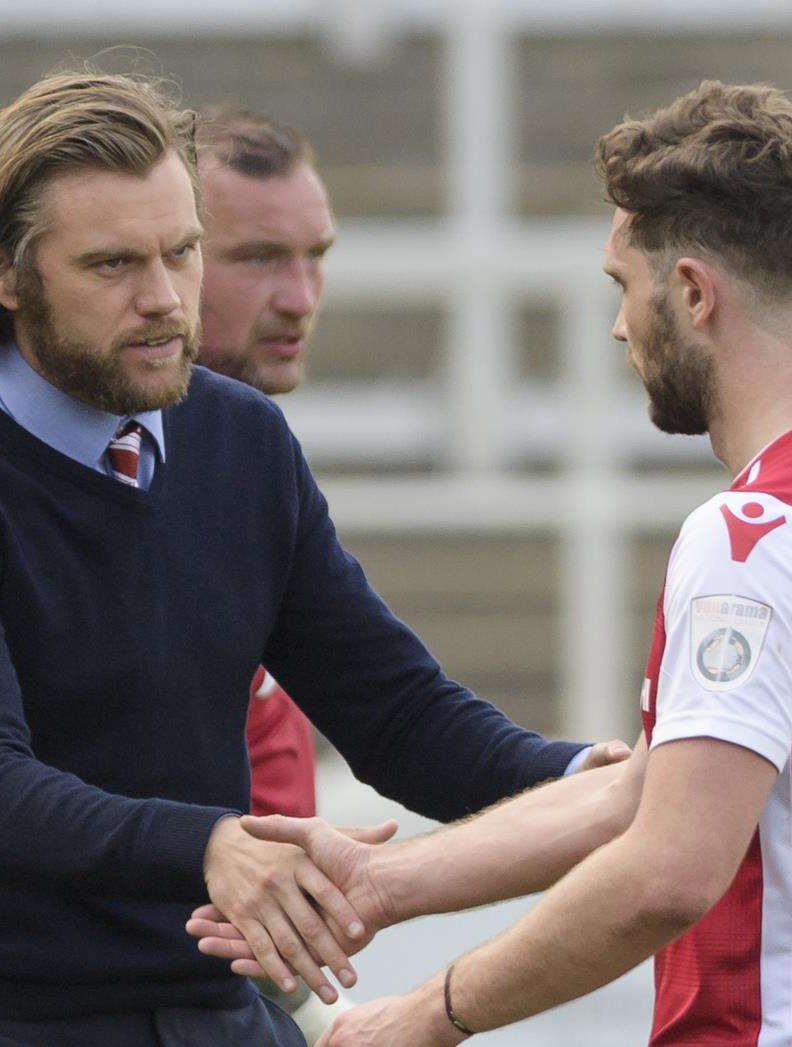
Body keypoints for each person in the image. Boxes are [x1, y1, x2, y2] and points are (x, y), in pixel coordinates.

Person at [0, 71, 619, 1047]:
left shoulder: (240, 440)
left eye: (183, 252)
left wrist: (594, 777)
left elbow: (397, 715)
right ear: (3, 273)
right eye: (114, 264)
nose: (163, 299)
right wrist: (205, 843)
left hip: (207, 1010)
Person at [192, 81, 792, 1046]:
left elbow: (666, 870)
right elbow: (647, 792)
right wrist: (382, 884)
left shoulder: (759, 538)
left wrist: (428, 1014)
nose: (618, 327)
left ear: (690, 292)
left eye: (624, 285)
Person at [191, 107, 624, 823]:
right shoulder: (3, 476)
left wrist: (589, 774)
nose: (300, 298)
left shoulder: (251, 461)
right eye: (259, 257)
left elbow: (397, 716)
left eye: (316, 257)